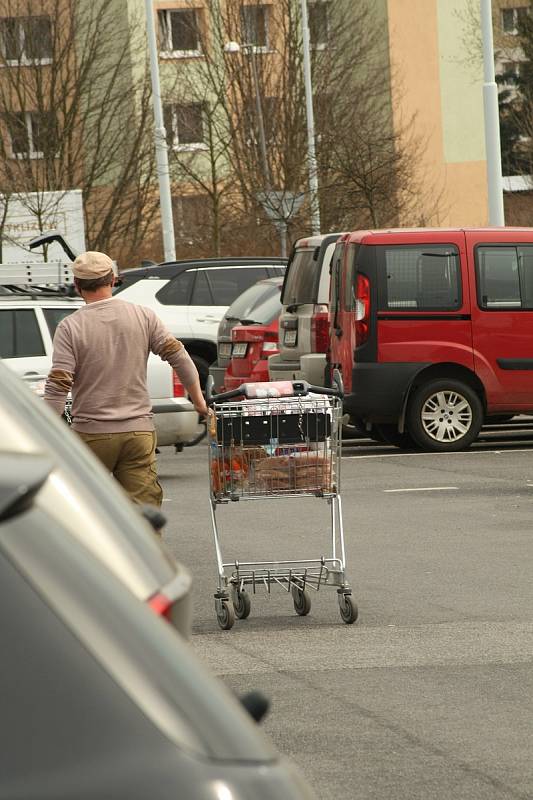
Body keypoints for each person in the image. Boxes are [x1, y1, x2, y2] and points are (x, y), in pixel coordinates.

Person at [44, 250, 207, 507]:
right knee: (145, 511)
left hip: (91, 435)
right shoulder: (143, 316)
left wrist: (46, 427)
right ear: (113, 279)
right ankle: (148, 547)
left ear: (77, 286)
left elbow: (58, 384)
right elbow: (180, 358)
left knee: (89, 510)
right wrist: (198, 401)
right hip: (138, 432)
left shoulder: (70, 326)